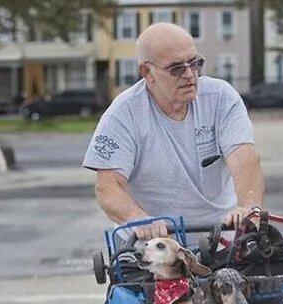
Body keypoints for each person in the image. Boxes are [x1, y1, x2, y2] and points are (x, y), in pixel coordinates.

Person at [82, 23, 265, 240]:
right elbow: (107, 187)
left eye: (195, 63)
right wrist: (138, 218)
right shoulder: (123, 114)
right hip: (153, 247)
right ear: (147, 72)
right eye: (176, 68)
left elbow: (245, 162)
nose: (189, 74)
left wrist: (248, 206)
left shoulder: (222, 98)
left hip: (220, 237)